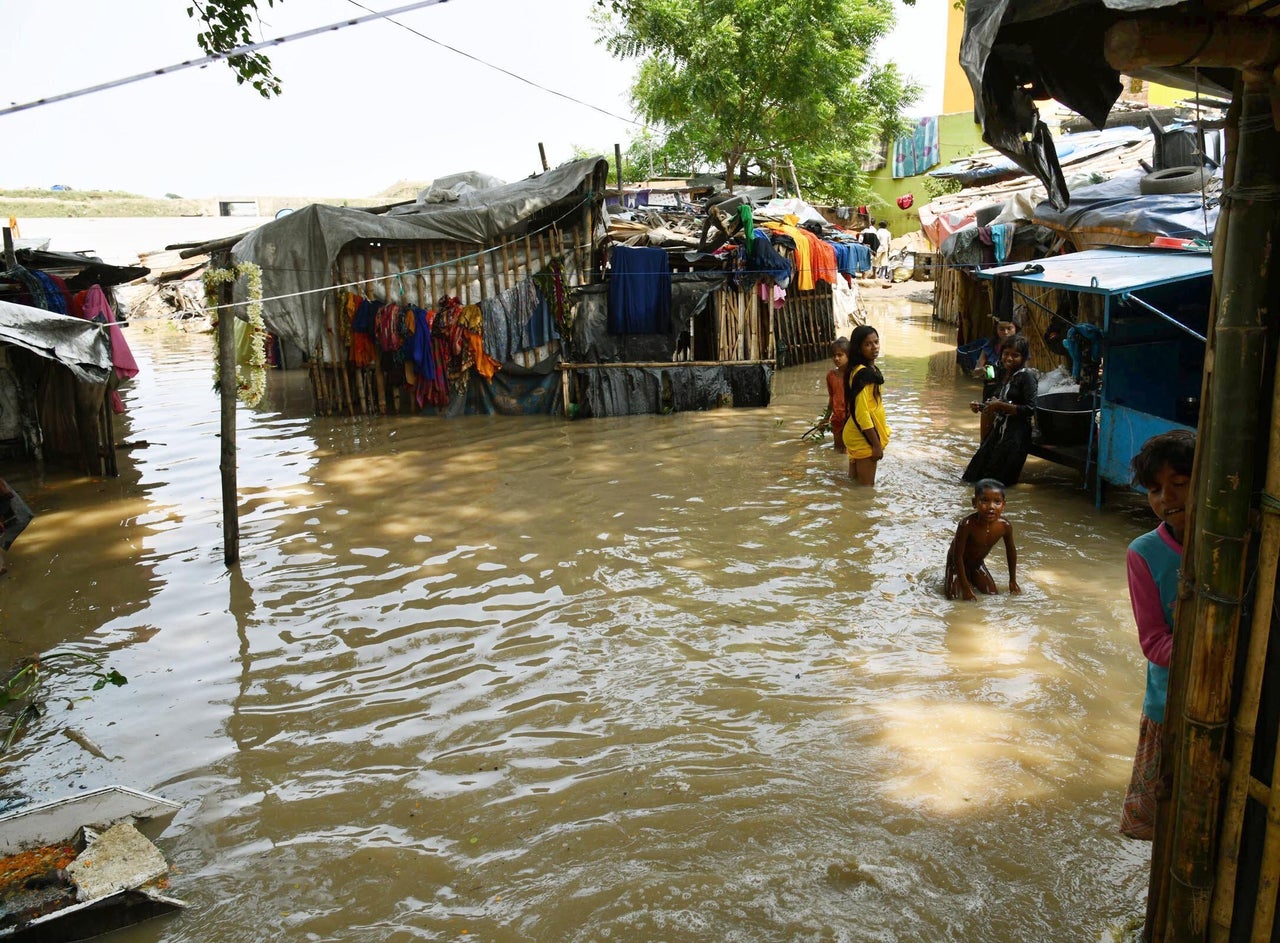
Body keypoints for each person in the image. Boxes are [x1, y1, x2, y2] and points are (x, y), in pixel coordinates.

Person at [1120, 429, 1195, 841]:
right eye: (1154, 490)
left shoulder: (1245, 544)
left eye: (1179, 485)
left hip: (1242, 700)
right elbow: (1153, 641)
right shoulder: (1143, 553)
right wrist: (1206, 649)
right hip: (1170, 702)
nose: (1166, 498)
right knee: (1167, 822)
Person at [962, 334, 1037, 486]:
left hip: (1016, 434)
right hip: (999, 430)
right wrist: (982, 407)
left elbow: (1030, 409)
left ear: (1023, 358)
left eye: (1015, 355)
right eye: (1006, 354)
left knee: (998, 482)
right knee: (972, 474)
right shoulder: (1004, 374)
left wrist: (1000, 406)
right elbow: (999, 401)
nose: (1009, 358)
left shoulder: (1027, 377)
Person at [944, 478, 1020, 600]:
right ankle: (962, 581)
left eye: (997, 502)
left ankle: (971, 578)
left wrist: (1013, 581)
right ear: (974, 502)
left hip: (977, 564)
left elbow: (1011, 552)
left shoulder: (1004, 526)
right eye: (984, 500)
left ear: (1003, 505)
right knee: (954, 599)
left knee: (992, 595)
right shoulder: (967, 524)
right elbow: (957, 556)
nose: (991, 507)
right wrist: (966, 588)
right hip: (956, 565)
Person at [842, 325, 889, 485]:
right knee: (866, 491)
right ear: (858, 348)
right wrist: (876, 445)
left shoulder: (864, 370)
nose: (874, 347)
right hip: (863, 436)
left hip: (856, 432)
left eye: (876, 342)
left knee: (853, 486)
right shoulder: (863, 375)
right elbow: (862, 413)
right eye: (868, 344)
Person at [972, 314, 1022, 440]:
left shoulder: (1021, 347)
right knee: (987, 433)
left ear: (1015, 328)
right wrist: (982, 370)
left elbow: (1024, 373)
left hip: (1010, 395)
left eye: (1009, 328)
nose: (1005, 332)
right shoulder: (990, 346)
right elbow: (976, 371)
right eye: (1001, 329)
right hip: (991, 390)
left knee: (1004, 432)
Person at [823, 338, 850, 453]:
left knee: (848, 451)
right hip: (837, 418)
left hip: (850, 418)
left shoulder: (854, 374)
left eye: (840, 355)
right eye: (834, 355)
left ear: (848, 356)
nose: (836, 358)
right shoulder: (831, 375)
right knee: (838, 450)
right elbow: (831, 398)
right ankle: (837, 470)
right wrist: (825, 418)